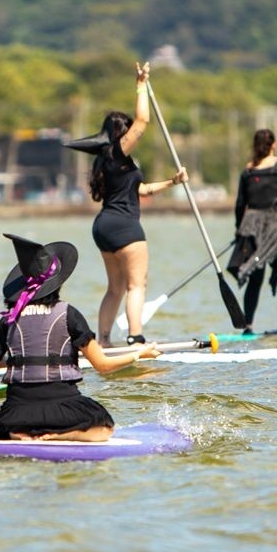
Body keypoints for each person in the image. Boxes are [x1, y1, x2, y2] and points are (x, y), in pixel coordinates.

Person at [0, 234, 161, 442]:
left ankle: (22, 435)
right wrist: (138, 353)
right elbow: (103, 365)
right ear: (57, 284)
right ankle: (58, 434)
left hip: (17, 411)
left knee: (3, 432)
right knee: (105, 430)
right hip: (61, 404)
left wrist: (20, 362)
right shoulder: (68, 314)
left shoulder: (7, 320)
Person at [65, 62, 187, 347]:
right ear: (121, 132)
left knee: (115, 288)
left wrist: (173, 181)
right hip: (125, 227)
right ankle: (136, 338)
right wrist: (141, 83)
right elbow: (143, 121)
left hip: (104, 226)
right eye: (128, 130)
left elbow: (140, 189)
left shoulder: (110, 162)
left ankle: (103, 342)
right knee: (137, 285)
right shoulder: (116, 152)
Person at [227, 129, 277, 334]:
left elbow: (240, 204)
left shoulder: (248, 171)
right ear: (273, 145)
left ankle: (248, 325)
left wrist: (238, 231)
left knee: (255, 278)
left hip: (252, 230)